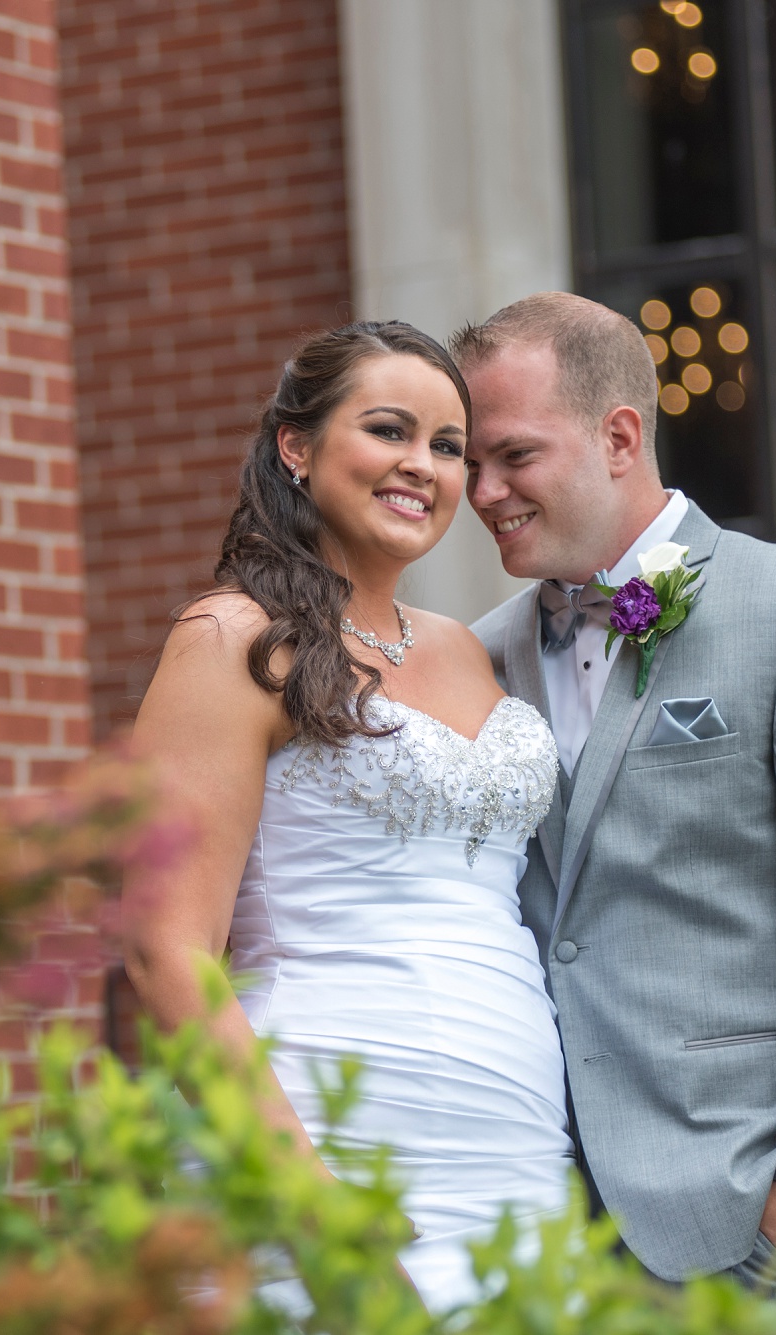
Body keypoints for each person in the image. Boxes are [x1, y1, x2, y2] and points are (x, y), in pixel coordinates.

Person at [454, 292, 776, 1288]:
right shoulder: (478, 654)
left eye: (510, 455)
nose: (480, 490)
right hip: (544, 1228)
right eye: (467, 464)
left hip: (748, 1216)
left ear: (619, 435)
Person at [122, 321, 573, 1311]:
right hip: (327, 1143)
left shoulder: (470, 650)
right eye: (387, 430)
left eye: (447, 446)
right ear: (297, 446)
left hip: (516, 1158)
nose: (422, 465)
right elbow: (164, 950)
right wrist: (308, 1203)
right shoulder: (230, 639)